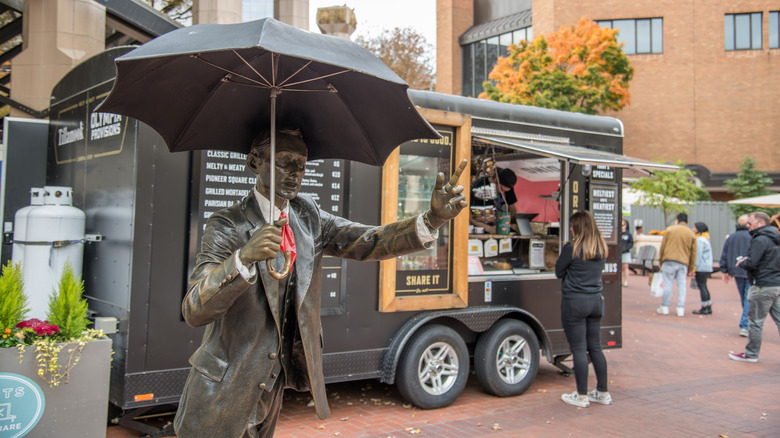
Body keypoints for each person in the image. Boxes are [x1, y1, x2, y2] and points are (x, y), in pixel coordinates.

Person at [173, 129, 468, 437]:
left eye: (302, 163)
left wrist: (432, 219)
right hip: (222, 391)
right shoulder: (227, 224)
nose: (295, 172)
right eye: (285, 161)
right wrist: (243, 258)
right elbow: (194, 309)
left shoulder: (307, 214)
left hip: (270, 387)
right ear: (254, 163)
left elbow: (367, 240)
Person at [555, 211, 611, 408]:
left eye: (572, 225)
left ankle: (581, 396)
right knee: (595, 347)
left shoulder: (571, 248)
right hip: (596, 301)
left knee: (578, 348)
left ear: (578, 227)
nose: (570, 228)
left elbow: (558, 271)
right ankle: (603, 392)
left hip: (575, 302)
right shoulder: (602, 248)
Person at [729, 212, 780, 363]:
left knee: (756, 322)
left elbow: (752, 263)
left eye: (750, 223)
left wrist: (742, 262)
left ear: (761, 223)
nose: (748, 226)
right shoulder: (776, 238)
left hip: (763, 286)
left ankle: (751, 353)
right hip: (776, 285)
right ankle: (751, 353)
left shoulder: (760, 239)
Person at [657, 213, 697, 317]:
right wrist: (691, 268)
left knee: (668, 284)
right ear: (687, 221)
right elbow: (693, 253)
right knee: (681, 285)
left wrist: (660, 260)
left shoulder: (669, 230)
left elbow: (663, 247)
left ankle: (665, 306)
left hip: (668, 260)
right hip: (683, 262)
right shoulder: (691, 234)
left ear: (677, 220)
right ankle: (680, 308)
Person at [719, 215, 752, 336]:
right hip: (749, 270)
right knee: (747, 298)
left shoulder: (731, 237)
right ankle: (746, 323)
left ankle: (746, 322)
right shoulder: (752, 236)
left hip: (737, 271)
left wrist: (725, 270)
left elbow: (725, 254)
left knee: (745, 297)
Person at [470, 167, 518, 234]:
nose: (502, 192)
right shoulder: (480, 185)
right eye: (501, 189)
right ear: (496, 179)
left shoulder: (508, 187)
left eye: (506, 191)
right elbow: (472, 217)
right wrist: (489, 228)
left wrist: (510, 221)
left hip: (501, 227)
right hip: (482, 229)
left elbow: (512, 209)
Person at [692, 222, 713, 315]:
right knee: (704, 286)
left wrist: (694, 267)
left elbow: (697, 255)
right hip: (706, 266)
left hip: (701, 267)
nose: (693, 229)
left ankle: (704, 307)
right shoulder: (706, 239)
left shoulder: (699, 240)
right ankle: (708, 306)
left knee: (702, 286)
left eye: (694, 227)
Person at [620, 218, 633, 287]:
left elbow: (631, 243)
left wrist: (626, 248)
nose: (622, 226)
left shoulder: (628, 234)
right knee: (620, 267)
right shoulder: (618, 234)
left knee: (625, 266)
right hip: (619, 253)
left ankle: (626, 280)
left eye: (623, 225)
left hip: (626, 252)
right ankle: (621, 280)